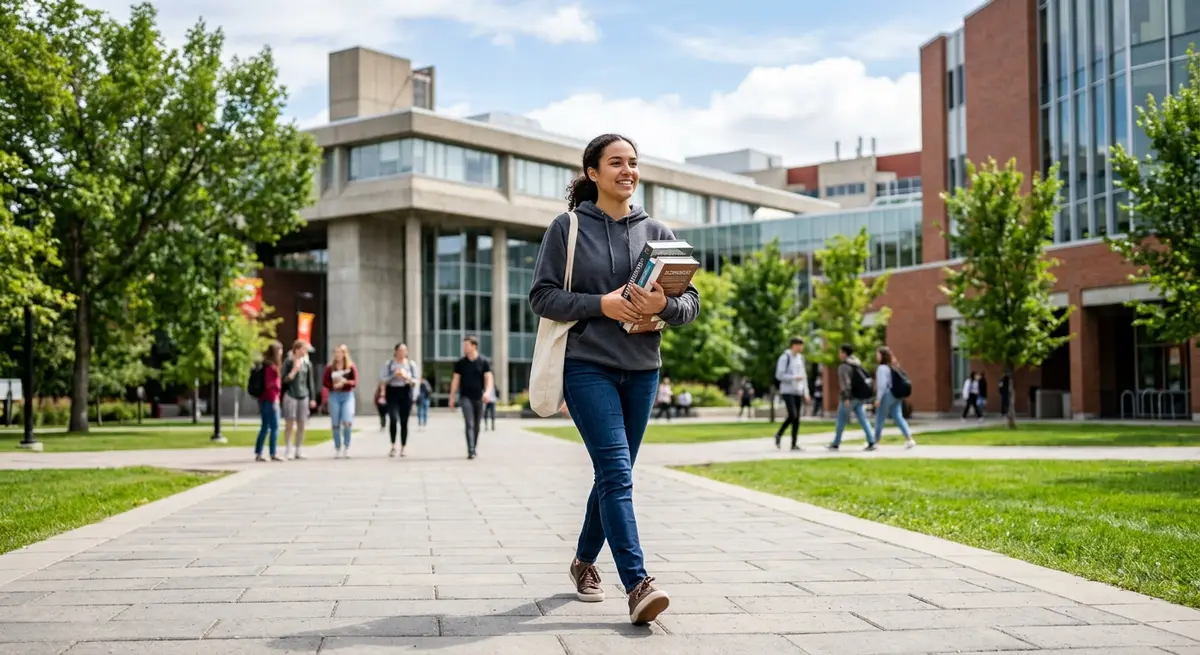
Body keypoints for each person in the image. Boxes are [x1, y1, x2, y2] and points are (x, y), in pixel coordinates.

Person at [528, 133, 699, 625]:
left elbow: (690, 304)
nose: (628, 171)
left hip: (644, 371)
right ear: (593, 173)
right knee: (618, 474)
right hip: (588, 366)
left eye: (634, 163)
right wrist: (600, 303)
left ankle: (584, 562)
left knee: (612, 475)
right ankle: (638, 584)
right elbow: (541, 297)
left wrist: (662, 305)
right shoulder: (568, 228)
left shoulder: (660, 232)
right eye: (616, 163)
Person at [448, 336, 493, 459]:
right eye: (464, 345)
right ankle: (471, 449)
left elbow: (488, 379)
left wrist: (488, 392)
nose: (464, 348)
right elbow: (455, 380)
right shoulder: (460, 363)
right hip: (465, 397)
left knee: (477, 424)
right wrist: (452, 396)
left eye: (466, 345)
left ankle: (474, 445)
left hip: (479, 397)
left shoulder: (484, 361)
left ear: (474, 346)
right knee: (469, 423)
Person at [827, 344, 875, 451]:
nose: (839, 354)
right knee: (863, 419)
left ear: (844, 353)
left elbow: (846, 384)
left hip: (850, 397)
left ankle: (836, 443)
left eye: (840, 352)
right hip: (860, 397)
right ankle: (871, 441)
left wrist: (846, 397)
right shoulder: (857, 364)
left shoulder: (844, 366)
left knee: (841, 420)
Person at [281, 340, 318, 460]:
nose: (305, 352)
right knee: (289, 423)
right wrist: (294, 371)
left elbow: (310, 382)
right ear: (297, 349)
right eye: (303, 349)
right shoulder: (288, 362)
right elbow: (284, 381)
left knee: (302, 423)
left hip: (303, 395)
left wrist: (312, 398)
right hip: (291, 395)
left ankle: (299, 449)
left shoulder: (307, 364)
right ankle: (288, 449)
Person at [872, 346, 916, 449]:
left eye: (878, 354)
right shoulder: (892, 366)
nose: (876, 356)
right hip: (896, 395)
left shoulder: (882, 368)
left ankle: (875, 441)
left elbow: (882, 386)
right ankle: (909, 439)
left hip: (887, 395)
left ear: (882, 356)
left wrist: (878, 399)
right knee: (898, 417)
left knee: (880, 418)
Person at [380, 343, 418, 457]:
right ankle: (393, 445)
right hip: (392, 392)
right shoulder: (389, 364)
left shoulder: (411, 364)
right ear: (396, 351)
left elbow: (415, 381)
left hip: (405, 392)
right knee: (393, 418)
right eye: (400, 350)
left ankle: (403, 446)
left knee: (404, 421)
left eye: (404, 350)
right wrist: (393, 375)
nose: (402, 353)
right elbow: (383, 379)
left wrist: (406, 376)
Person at [323, 344, 358, 459]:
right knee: (335, 423)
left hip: (347, 395)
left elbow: (355, 381)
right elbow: (325, 382)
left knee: (347, 421)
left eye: (340, 352)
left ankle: (346, 446)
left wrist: (345, 382)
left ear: (344, 354)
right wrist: (333, 385)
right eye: (336, 352)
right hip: (334, 395)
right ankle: (337, 447)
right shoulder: (330, 368)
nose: (338, 355)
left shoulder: (350, 367)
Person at [773, 337, 808, 451]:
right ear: (794, 345)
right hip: (787, 390)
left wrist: (806, 392)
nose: (801, 348)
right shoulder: (785, 358)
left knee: (797, 418)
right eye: (800, 345)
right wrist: (793, 378)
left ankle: (794, 444)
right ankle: (779, 433)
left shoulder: (800, 358)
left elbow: (804, 376)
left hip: (798, 390)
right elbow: (779, 375)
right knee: (793, 414)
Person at [253, 341, 284, 462]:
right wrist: (275, 401)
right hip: (270, 400)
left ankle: (260, 452)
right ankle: (272, 453)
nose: (282, 352)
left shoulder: (267, 367)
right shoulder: (271, 368)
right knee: (273, 427)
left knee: (265, 427)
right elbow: (270, 386)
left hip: (266, 400)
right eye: (280, 350)